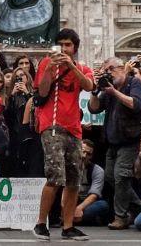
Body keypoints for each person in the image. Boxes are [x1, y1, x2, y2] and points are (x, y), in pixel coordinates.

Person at [31, 28, 94, 241]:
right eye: (61, 45)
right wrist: (50, 68)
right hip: (52, 125)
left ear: (75, 48)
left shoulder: (82, 68)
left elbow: (89, 86)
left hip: (74, 128)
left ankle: (68, 227)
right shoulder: (45, 63)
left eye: (68, 45)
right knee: (55, 176)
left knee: (74, 179)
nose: (64, 49)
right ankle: (41, 223)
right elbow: (42, 91)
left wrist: (71, 66)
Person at [88, 55, 141, 230]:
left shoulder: (133, 83)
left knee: (121, 177)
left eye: (111, 69)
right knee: (110, 176)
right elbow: (94, 108)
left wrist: (114, 92)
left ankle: (120, 217)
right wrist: (95, 91)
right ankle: (137, 204)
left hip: (130, 140)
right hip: (112, 142)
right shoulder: (110, 88)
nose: (108, 73)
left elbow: (136, 104)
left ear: (122, 68)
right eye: (105, 71)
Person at [74, 140, 109, 227]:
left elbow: (94, 195)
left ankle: (71, 218)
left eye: (88, 154)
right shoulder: (68, 167)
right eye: (82, 151)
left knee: (103, 205)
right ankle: (76, 219)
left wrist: (79, 208)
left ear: (91, 156)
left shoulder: (97, 170)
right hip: (71, 202)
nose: (84, 156)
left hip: (87, 204)